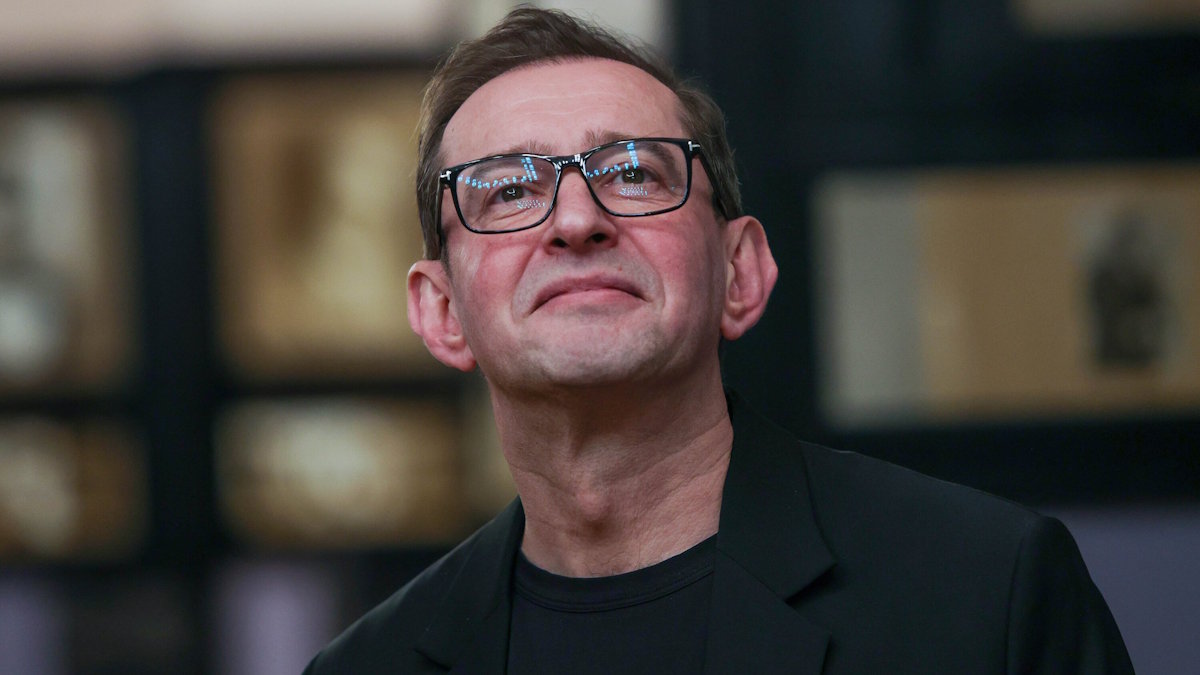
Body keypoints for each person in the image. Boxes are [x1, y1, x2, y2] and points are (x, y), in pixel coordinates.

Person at [305, 8, 1133, 674]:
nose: (577, 219)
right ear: (441, 311)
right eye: (509, 190)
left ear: (741, 271)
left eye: (634, 172)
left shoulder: (988, 590)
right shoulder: (370, 665)